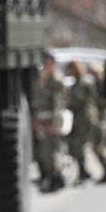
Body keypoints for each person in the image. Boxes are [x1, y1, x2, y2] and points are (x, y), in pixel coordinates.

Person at [64, 60, 106, 185]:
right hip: (79, 119)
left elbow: (91, 100)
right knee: (76, 146)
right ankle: (84, 172)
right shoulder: (75, 84)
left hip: (87, 119)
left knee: (91, 146)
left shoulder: (86, 84)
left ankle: (104, 171)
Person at [32, 51, 66, 192]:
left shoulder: (56, 80)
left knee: (51, 152)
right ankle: (48, 177)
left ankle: (56, 178)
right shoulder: (40, 79)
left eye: (48, 63)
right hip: (41, 122)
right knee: (42, 153)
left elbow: (58, 104)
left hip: (51, 122)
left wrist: (55, 124)